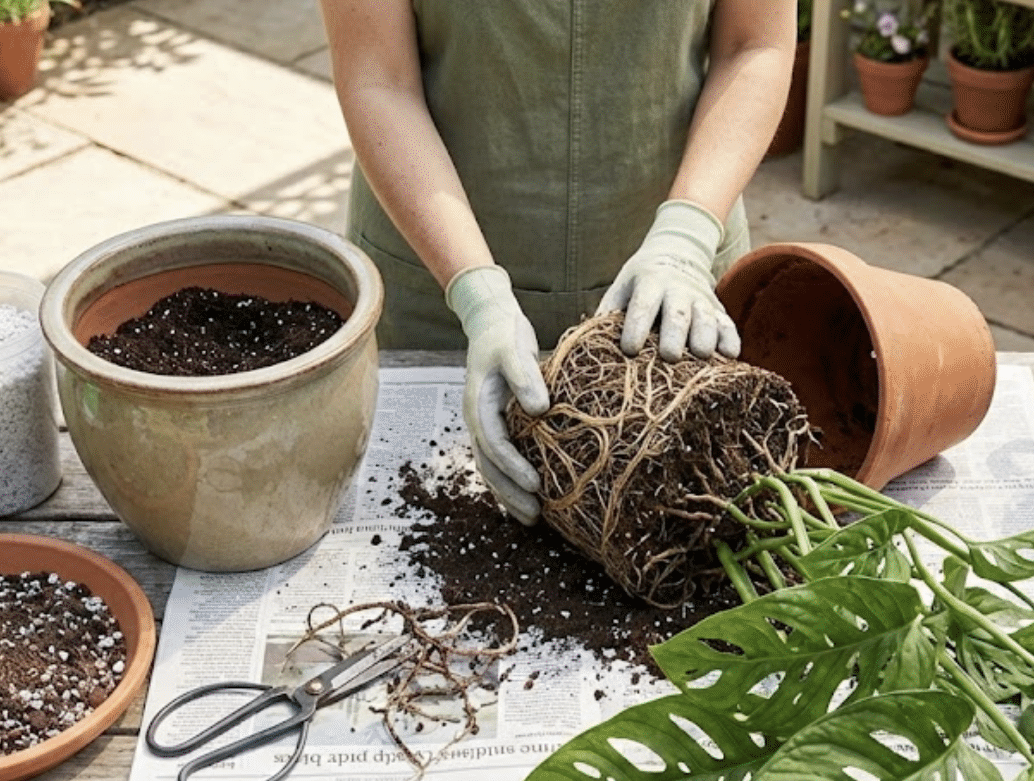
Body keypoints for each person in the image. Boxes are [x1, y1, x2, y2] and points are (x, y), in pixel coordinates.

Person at [320, 0, 796, 524]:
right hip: (436, 285)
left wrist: (686, 237)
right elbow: (380, 79)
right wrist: (478, 298)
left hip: (674, 281)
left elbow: (753, 45)